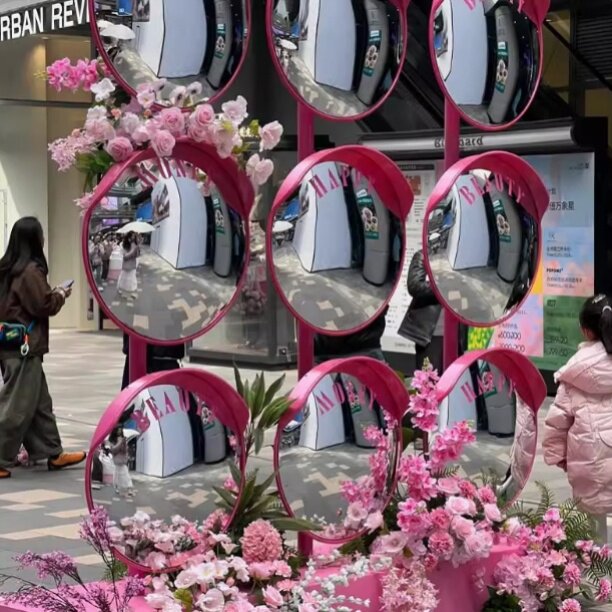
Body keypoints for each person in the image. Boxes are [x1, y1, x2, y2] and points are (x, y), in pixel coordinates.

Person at [0, 217, 86, 479]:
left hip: (11, 345)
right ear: (34, 240)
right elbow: (42, 305)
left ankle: (52, 452)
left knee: (39, 404)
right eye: (41, 235)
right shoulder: (29, 272)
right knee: (16, 406)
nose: (44, 240)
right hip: (23, 348)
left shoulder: (7, 269)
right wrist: (59, 294)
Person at [542, 294, 612, 543]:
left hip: (590, 461)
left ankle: (599, 561)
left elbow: (558, 421)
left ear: (585, 331)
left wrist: (558, 456)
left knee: (594, 526)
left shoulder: (575, 371)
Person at [399, 250, 444, 373]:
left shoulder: (456, 259)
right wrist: (442, 285)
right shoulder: (423, 254)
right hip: (431, 332)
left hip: (455, 330)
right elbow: (414, 285)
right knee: (429, 378)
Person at [108, 425, 133, 497]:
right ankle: (117, 487)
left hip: (122, 459)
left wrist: (124, 444)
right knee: (117, 474)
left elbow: (124, 451)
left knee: (125, 474)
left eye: (120, 431)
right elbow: (113, 450)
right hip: (116, 459)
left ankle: (129, 488)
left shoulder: (122, 439)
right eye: (118, 431)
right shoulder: (112, 440)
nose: (119, 432)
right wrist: (119, 442)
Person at [117, 232, 139, 299]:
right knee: (125, 279)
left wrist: (136, 249)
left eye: (134, 236)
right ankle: (124, 293)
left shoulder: (134, 245)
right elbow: (125, 256)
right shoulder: (124, 245)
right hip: (126, 265)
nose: (133, 238)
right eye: (131, 236)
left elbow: (137, 255)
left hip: (132, 265)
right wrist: (132, 250)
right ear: (128, 237)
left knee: (132, 279)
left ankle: (131, 293)